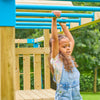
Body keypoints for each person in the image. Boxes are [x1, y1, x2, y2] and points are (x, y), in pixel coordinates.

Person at [48, 11, 83, 100]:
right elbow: (54, 39)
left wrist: (64, 26)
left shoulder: (68, 56)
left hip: (76, 96)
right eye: (64, 46)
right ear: (57, 48)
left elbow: (72, 40)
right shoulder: (56, 59)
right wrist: (54, 19)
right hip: (64, 97)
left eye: (68, 46)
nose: (68, 48)